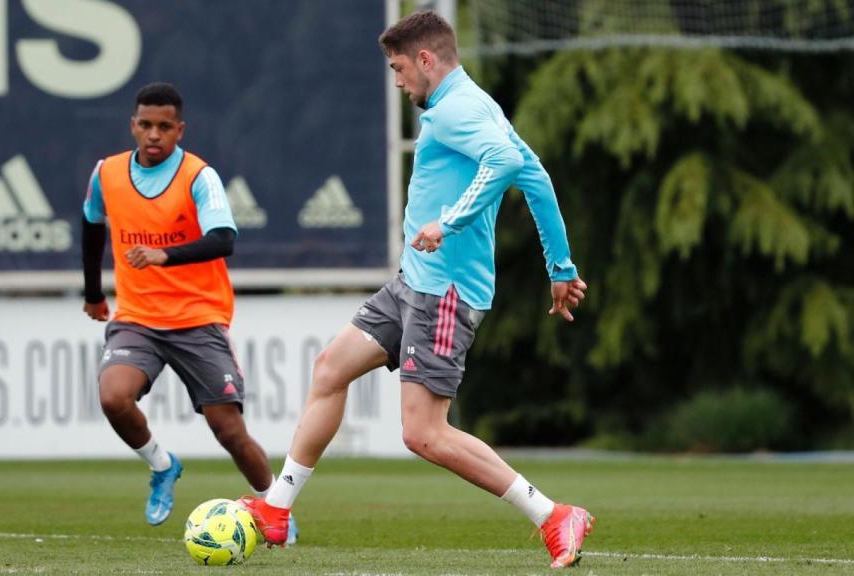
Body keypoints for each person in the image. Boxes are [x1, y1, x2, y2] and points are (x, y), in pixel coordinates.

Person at [238, 12, 591, 568]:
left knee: (423, 434)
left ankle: (553, 515)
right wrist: (561, 265)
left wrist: (448, 222)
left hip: (445, 294)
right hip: (412, 283)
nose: (398, 81)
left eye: (399, 68)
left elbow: (505, 163)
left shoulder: (455, 109)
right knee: (331, 369)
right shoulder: (476, 103)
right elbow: (536, 176)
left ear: (425, 59)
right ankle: (276, 509)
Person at [81, 82, 296, 543]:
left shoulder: (199, 176)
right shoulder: (107, 173)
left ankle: (275, 506)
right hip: (137, 317)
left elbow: (224, 239)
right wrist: (94, 292)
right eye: (145, 125)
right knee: (113, 397)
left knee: (228, 430)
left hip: (198, 316)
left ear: (179, 130)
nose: (153, 135)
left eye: (164, 127)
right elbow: (92, 223)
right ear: (132, 126)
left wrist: (164, 255)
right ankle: (162, 465)